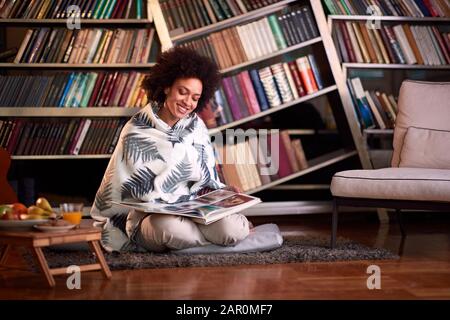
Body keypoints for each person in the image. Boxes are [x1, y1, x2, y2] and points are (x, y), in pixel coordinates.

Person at [90, 47, 250, 253]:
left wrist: (224, 194)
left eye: (195, 97)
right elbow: (130, 190)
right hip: (153, 218)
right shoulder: (136, 129)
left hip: (196, 210)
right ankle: (213, 243)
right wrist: (174, 203)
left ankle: (200, 241)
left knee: (232, 229)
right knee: (169, 228)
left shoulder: (197, 127)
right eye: (182, 92)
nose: (187, 102)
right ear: (167, 87)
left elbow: (206, 180)